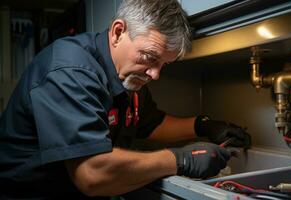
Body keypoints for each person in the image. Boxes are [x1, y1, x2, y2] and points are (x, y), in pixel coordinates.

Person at [0, 0, 251, 199]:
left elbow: (150, 124)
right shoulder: (71, 70)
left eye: (164, 64)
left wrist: (203, 125)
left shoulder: (130, 77)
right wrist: (182, 160)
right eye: (150, 57)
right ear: (118, 32)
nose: (155, 74)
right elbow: (92, 173)